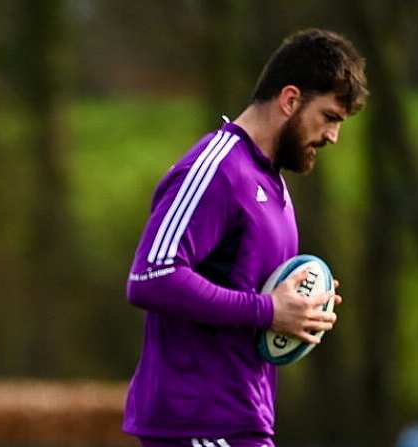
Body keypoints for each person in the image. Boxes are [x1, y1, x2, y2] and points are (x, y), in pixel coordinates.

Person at [123, 29, 367, 447]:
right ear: (290, 99)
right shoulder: (218, 168)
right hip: (196, 423)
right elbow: (151, 277)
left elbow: (255, 299)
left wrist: (302, 309)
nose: (333, 137)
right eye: (329, 118)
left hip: (241, 420)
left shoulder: (274, 186)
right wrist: (267, 310)